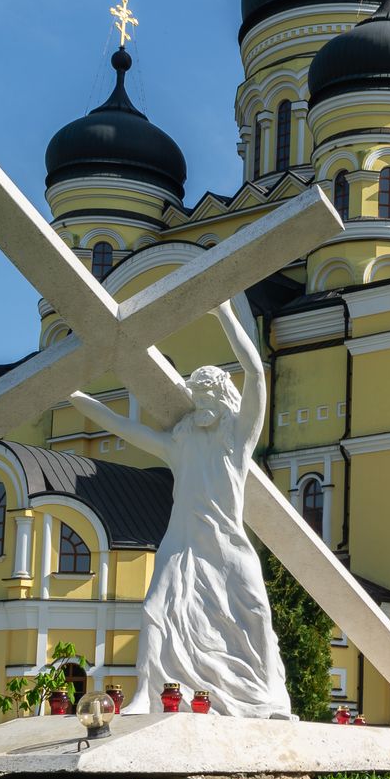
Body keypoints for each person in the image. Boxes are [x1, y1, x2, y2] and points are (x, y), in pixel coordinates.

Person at [68, 297, 293, 719]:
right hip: (182, 542)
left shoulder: (238, 436)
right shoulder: (180, 443)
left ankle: (268, 692)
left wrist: (224, 312)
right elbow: (123, 427)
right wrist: (75, 396)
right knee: (155, 608)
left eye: (208, 391)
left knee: (257, 609)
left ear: (222, 394)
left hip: (227, 544)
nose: (201, 400)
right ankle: (146, 694)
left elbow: (255, 373)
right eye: (197, 393)